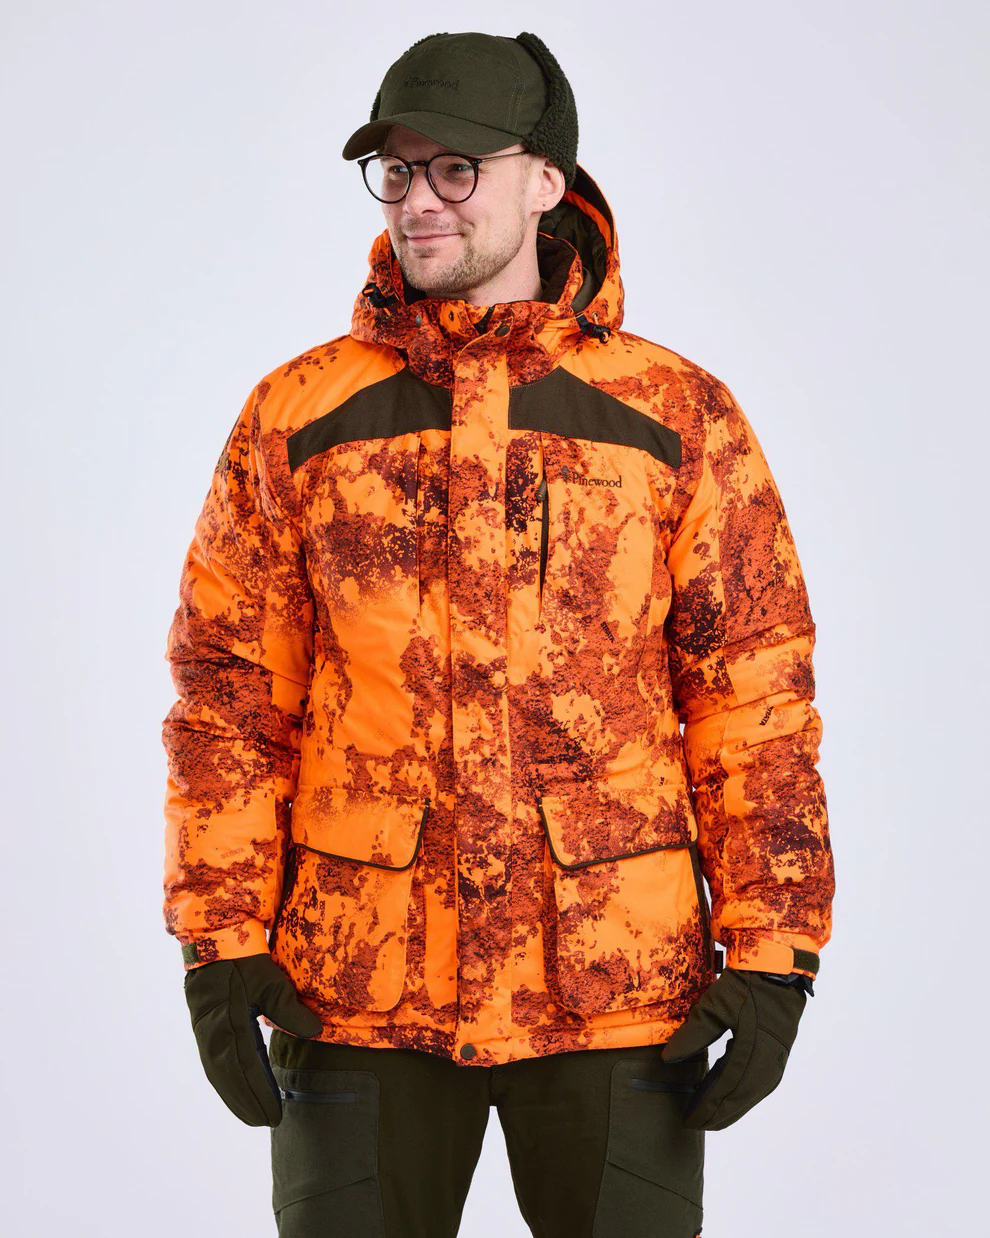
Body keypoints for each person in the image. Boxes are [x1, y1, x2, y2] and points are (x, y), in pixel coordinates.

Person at [161, 29, 836, 1238]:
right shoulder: (299, 415)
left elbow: (753, 694)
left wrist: (775, 950)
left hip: (617, 984)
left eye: (456, 169)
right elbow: (231, 694)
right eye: (397, 170)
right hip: (356, 981)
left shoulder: (672, 414)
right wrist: (218, 940)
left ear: (546, 182)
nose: (420, 201)